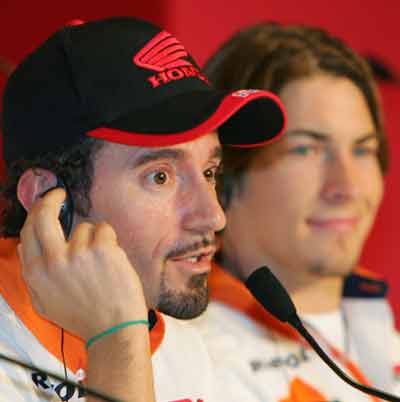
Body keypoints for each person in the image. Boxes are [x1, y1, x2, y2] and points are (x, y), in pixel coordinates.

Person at [0, 17, 286, 401]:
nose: (214, 216)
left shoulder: (184, 349)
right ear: (47, 198)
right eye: (161, 177)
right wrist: (116, 344)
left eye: (209, 171)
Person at [193, 22, 400, 401]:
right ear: (223, 173)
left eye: (363, 149)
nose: (347, 186)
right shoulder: (185, 362)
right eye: (306, 149)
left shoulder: (382, 333)